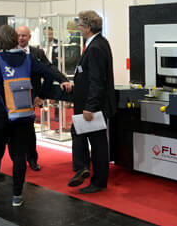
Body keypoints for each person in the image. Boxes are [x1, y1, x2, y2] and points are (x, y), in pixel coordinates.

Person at [0, 25, 56, 207]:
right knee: (19, 156)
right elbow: (49, 74)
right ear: (16, 39)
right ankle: (17, 195)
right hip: (23, 115)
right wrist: (40, 96)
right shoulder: (28, 58)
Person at [68, 10, 115, 193]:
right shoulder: (98, 43)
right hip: (90, 103)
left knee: (97, 143)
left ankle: (98, 181)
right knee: (80, 134)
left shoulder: (95, 48)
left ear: (88, 27)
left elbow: (97, 80)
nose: (78, 28)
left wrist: (90, 107)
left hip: (93, 106)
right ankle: (83, 168)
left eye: (80, 25)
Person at [16, 25, 72, 171]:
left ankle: (32, 159)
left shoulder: (37, 53)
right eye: (18, 35)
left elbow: (50, 69)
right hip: (13, 99)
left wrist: (63, 80)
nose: (21, 38)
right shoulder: (9, 52)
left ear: (29, 37)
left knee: (29, 130)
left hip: (31, 98)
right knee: (14, 131)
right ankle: (17, 160)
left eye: (24, 35)